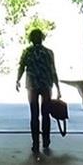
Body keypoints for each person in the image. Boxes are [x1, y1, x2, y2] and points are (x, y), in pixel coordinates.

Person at [16, 27, 60, 157]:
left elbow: (21, 67)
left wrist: (17, 80)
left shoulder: (27, 52)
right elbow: (53, 70)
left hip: (32, 86)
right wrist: (58, 87)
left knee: (34, 114)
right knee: (45, 114)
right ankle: (46, 141)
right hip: (46, 85)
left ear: (31, 39)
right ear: (42, 38)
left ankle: (35, 143)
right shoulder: (49, 53)